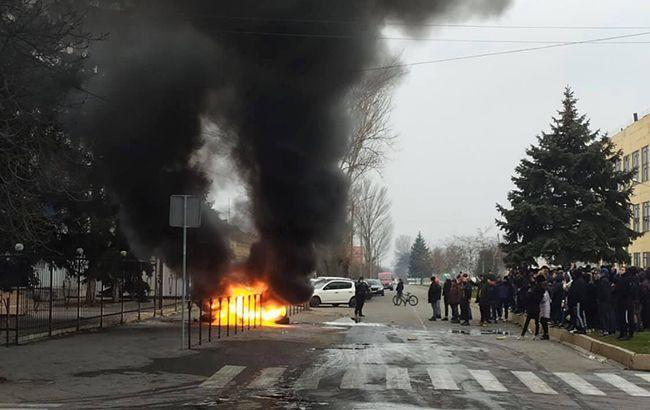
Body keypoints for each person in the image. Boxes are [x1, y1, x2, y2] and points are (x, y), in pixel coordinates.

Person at [614, 266, 638, 340]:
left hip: (626, 301)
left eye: (622, 270)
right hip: (623, 301)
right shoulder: (622, 279)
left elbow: (626, 290)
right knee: (623, 317)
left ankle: (627, 333)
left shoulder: (628, 279)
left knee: (627, 318)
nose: (620, 271)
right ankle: (623, 332)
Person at [518, 275, 544, 339]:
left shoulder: (534, 288)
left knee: (527, 321)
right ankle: (536, 335)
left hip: (531, 305)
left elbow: (529, 295)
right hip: (537, 305)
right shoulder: (542, 288)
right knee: (536, 321)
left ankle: (522, 335)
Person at [539, 276, 551, 340]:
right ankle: (545, 333)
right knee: (543, 321)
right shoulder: (546, 292)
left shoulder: (545, 293)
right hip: (544, 308)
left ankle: (546, 334)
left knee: (543, 321)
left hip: (545, 308)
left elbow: (543, 300)